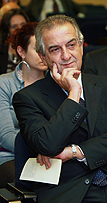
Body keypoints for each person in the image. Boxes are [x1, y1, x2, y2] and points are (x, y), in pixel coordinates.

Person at [12, 14, 107, 202]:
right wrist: (74, 94)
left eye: (71, 45)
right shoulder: (27, 98)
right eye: (55, 49)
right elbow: (47, 145)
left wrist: (73, 151)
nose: (66, 56)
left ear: (82, 46)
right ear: (43, 57)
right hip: (70, 193)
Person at [0, 22, 47, 188]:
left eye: (47, 48)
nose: (43, 55)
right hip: (11, 156)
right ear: (21, 52)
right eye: (37, 49)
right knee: (28, 181)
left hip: (52, 156)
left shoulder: (57, 83)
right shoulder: (4, 84)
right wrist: (40, 149)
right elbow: (5, 135)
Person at [0, 8, 29, 74]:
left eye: (23, 24)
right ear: (7, 30)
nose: (20, 29)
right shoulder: (1, 50)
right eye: (15, 26)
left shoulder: (34, 48)